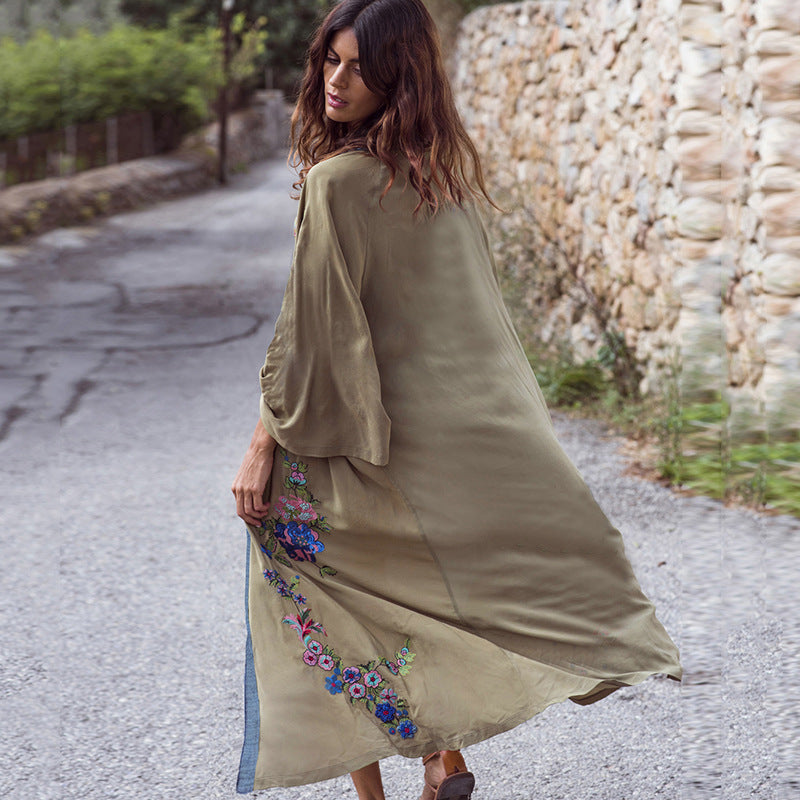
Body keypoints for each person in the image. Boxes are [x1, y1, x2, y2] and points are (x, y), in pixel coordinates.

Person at [231, 1, 683, 798]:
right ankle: (444, 761)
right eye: (329, 61)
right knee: (419, 595)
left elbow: (310, 337)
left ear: (397, 74)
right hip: (447, 437)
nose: (336, 81)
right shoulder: (446, 174)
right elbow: (476, 324)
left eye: (358, 66)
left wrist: (263, 445)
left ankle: (389, 786)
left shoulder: (336, 183)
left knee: (308, 582)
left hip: (351, 434)